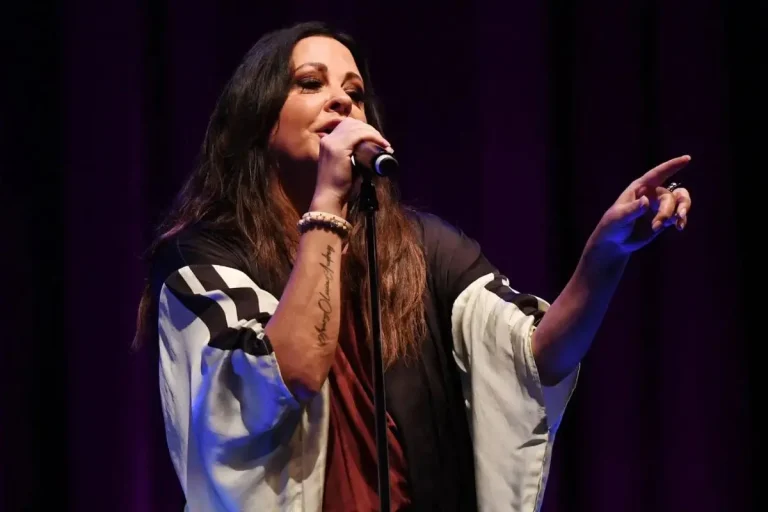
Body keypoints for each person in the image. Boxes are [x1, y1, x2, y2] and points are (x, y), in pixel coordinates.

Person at [133, 20, 692, 512]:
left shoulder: (423, 248)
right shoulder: (201, 257)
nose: (342, 102)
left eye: (354, 92)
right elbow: (285, 375)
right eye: (310, 84)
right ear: (258, 121)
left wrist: (606, 255)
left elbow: (535, 357)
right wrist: (326, 206)